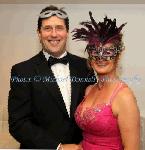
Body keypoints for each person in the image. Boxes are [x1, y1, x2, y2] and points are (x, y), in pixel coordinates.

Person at [8, 5, 94, 149]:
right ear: (39, 33)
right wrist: (57, 147)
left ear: (67, 32)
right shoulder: (22, 71)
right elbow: (18, 123)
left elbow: (93, 111)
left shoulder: (85, 66)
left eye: (59, 28)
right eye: (47, 28)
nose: (54, 34)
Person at [72, 11, 140, 150]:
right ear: (90, 57)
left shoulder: (124, 97)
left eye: (108, 52)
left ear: (118, 56)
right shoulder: (89, 90)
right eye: (95, 51)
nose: (101, 57)